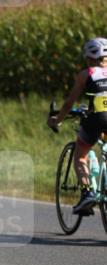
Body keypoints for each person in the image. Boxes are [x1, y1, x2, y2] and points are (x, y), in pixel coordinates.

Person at [48, 36, 107, 214]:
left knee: (80, 155)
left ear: (89, 57)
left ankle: (87, 193)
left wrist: (56, 119)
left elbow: (68, 104)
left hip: (98, 118)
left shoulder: (86, 74)